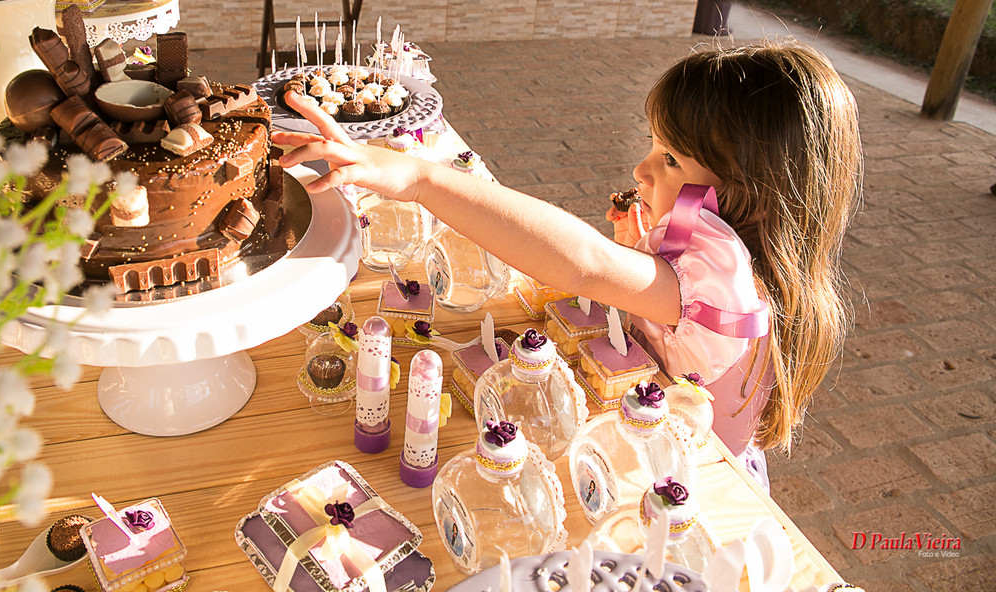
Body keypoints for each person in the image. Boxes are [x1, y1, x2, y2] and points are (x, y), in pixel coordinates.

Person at [275, 40, 863, 485]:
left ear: (746, 192)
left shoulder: (719, 278)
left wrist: (423, 179)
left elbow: (582, 264)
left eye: (671, 159)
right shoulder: (720, 254)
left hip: (683, 480)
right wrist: (642, 252)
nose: (642, 171)